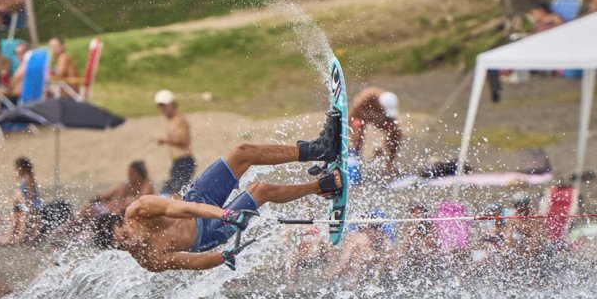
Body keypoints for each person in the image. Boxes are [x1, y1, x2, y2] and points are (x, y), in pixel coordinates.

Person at [97, 115, 343, 272]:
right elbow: (193, 262)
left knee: (242, 151)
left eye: (125, 236)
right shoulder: (149, 259)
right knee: (261, 190)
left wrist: (225, 213)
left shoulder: (142, 209)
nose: (130, 245)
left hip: (196, 202)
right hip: (208, 233)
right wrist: (223, 256)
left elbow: (186, 209)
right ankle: (322, 187)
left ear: (124, 221)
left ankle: (319, 150)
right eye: (123, 247)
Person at [349, 87, 402, 178]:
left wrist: (383, 147)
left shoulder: (389, 101)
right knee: (358, 136)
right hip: (360, 116)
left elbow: (392, 127)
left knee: (396, 132)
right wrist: (355, 133)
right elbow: (353, 115)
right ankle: (353, 161)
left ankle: (389, 166)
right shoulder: (368, 96)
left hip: (378, 117)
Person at [154, 90, 195, 195]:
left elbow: (183, 140)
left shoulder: (178, 120)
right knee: (168, 192)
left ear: (171, 104)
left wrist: (164, 140)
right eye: (160, 107)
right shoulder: (172, 121)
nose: (162, 110)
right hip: (178, 162)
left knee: (175, 193)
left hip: (184, 162)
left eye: (164, 106)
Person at [0, 157, 44, 245]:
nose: (16, 170)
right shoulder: (23, 177)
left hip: (33, 204)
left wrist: (30, 206)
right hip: (25, 203)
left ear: (23, 168)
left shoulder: (29, 177)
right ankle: (12, 236)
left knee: (24, 219)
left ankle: (22, 237)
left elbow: (31, 194)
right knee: (16, 217)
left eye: (18, 168)